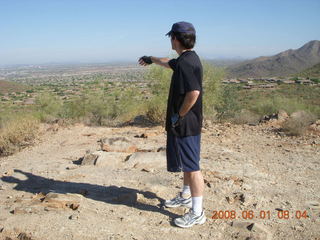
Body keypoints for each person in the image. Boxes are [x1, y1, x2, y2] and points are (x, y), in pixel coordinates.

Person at [138, 21, 205, 228]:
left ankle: (197, 212)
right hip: (186, 124)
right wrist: (151, 59)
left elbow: (194, 93)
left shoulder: (186, 63)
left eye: (171, 37)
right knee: (187, 162)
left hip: (186, 124)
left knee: (192, 168)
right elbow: (169, 62)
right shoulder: (187, 58)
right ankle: (185, 196)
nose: (170, 40)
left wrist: (179, 115)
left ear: (175, 38)